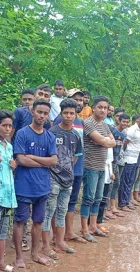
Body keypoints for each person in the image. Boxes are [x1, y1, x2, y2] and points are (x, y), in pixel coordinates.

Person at [13, 99, 58, 267]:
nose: (42, 116)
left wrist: (33, 157)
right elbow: (21, 159)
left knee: (38, 221)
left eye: (45, 113)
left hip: (42, 187)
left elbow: (54, 160)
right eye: (39, 112)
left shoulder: (50, 136)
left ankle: (35, 253)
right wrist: (43, 162)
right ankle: (18, 257)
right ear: (32, 111)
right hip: (24, 185)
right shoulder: (22, 133)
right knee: (20, 221)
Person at [42, 98, 82, 258]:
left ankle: (60, 242)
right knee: (49, 211)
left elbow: (75, 157)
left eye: (72, 113)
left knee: (62, 211)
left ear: (75, 115)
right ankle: (45, 245)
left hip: (68, 179)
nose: (68, 116)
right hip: (52, 178)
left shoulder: (76, 135)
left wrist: (66, 169)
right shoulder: (52, 132)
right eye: (66, 113)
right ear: (61, 113)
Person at [80, 96, 115, 242]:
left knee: (98, 198)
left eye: (105, 108)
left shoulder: (105, 125)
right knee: (88, 198)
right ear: (93, 108)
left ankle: (93, 226)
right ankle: (84, 228)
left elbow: (113, 142)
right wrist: (105, 141)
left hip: (102, 166)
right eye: (100, 107)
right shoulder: (88, 123)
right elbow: (102, 140)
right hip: (90, 166)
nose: (103, 110)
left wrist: (105, 142)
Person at [56, 89, 87, 244]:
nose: (79, 102)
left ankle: (69, 232)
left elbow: (78, 149)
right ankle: (57, 237)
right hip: (61, 171)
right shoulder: (58, 121)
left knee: (72, 200)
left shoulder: (80, 122)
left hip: (78, 166)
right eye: (76, 99)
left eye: (81, 100)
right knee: (58, 204)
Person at [0, 110, 17, 272]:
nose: (8, 129)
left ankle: (0, 261)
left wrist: (14, 164)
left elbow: (9, 167)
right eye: (4, 125)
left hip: (8, 193)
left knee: (3, 230)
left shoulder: (10, 146)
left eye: (10, 126)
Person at [119, 114, 140, 211]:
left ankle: (127, 202)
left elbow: (138, 146)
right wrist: (123, 156)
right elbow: (125, 143)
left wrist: (138, 161)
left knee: (131, 181)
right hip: (128, 160)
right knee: (125, 181)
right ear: (138, 119)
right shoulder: (132, 130)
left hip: (135, 160)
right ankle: (122, 203)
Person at [109, 112, 129, 217]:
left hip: (117, 160)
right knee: (111, 183)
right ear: (119, 121)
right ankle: (108, 208)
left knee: (116, 183)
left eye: (127, 122)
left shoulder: (124, 134)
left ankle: (112, 206)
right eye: (123, 121)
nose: (125, 123)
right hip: (110, 161)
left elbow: (122, 148)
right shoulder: (113, 131)